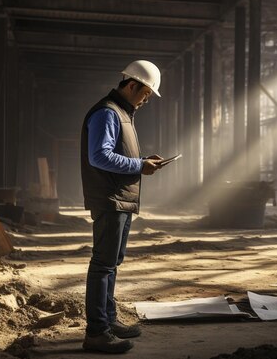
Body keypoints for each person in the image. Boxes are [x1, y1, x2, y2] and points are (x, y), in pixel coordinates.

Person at [80, 60, 164, 353]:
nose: (146, 99)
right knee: (102, 265)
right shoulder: (107, 113)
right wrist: (140, 165)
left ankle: (108, 320)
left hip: (121, 198)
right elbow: (99, 156)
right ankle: (97, 332)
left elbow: (116, 153)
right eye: (145, 93)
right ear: (132, 85)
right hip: (110, 199)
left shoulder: (122, 113)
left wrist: (142, 162)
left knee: (112, 263)